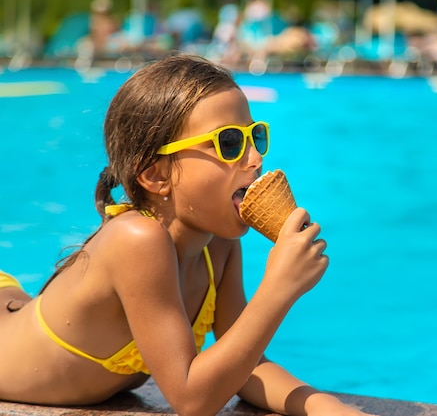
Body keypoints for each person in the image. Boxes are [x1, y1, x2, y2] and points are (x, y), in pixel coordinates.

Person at [0, 54, 376, 416]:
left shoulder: (221, 245)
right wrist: (278, 288)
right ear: (156, 175)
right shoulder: (135, 239)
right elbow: (192, 400)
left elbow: (246, 367)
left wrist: (322, 406)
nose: (255, 159)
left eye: (254, 136)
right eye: (229, 143)